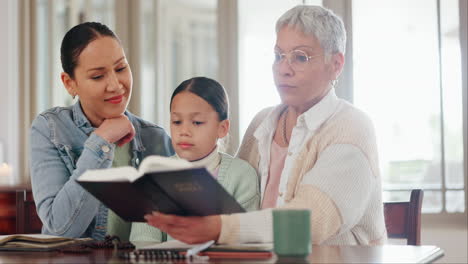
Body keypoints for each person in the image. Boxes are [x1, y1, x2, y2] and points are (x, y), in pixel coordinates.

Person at [145, 5, 387, 245]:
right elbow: (232, 194)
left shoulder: (352, 127)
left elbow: (310, 222)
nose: (283, 69)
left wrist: (219, 227)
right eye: (278, 55)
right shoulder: (263, 122)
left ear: (335, 64)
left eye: (300, 57)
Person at [29, 22, 174, 240]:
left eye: (121, 68)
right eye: (98, 76)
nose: (116, 85)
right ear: (70, 83)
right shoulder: (50, 129)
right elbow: (61, 230)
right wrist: (102, 141)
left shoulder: (156, 138)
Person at [128, 77, 260, 242]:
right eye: (177, 122)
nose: (184, 131)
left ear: (222, 128)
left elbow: (246, 240)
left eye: (197, 122)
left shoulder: (242, 175)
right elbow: (143, 241)